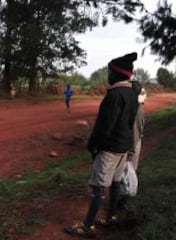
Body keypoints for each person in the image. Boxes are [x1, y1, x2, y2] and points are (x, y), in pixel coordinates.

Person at [64, 52, 139, 238]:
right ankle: (111, 216)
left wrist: (93, 145)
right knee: (114, 182)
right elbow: (130, 122)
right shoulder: (132, 93)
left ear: (116, 74)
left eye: (109, 72)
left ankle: (88, 226)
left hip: (110, 148)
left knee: (98, 187)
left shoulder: (114, 95)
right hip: (124, 145)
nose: (108, 75)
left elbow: (105, 125)